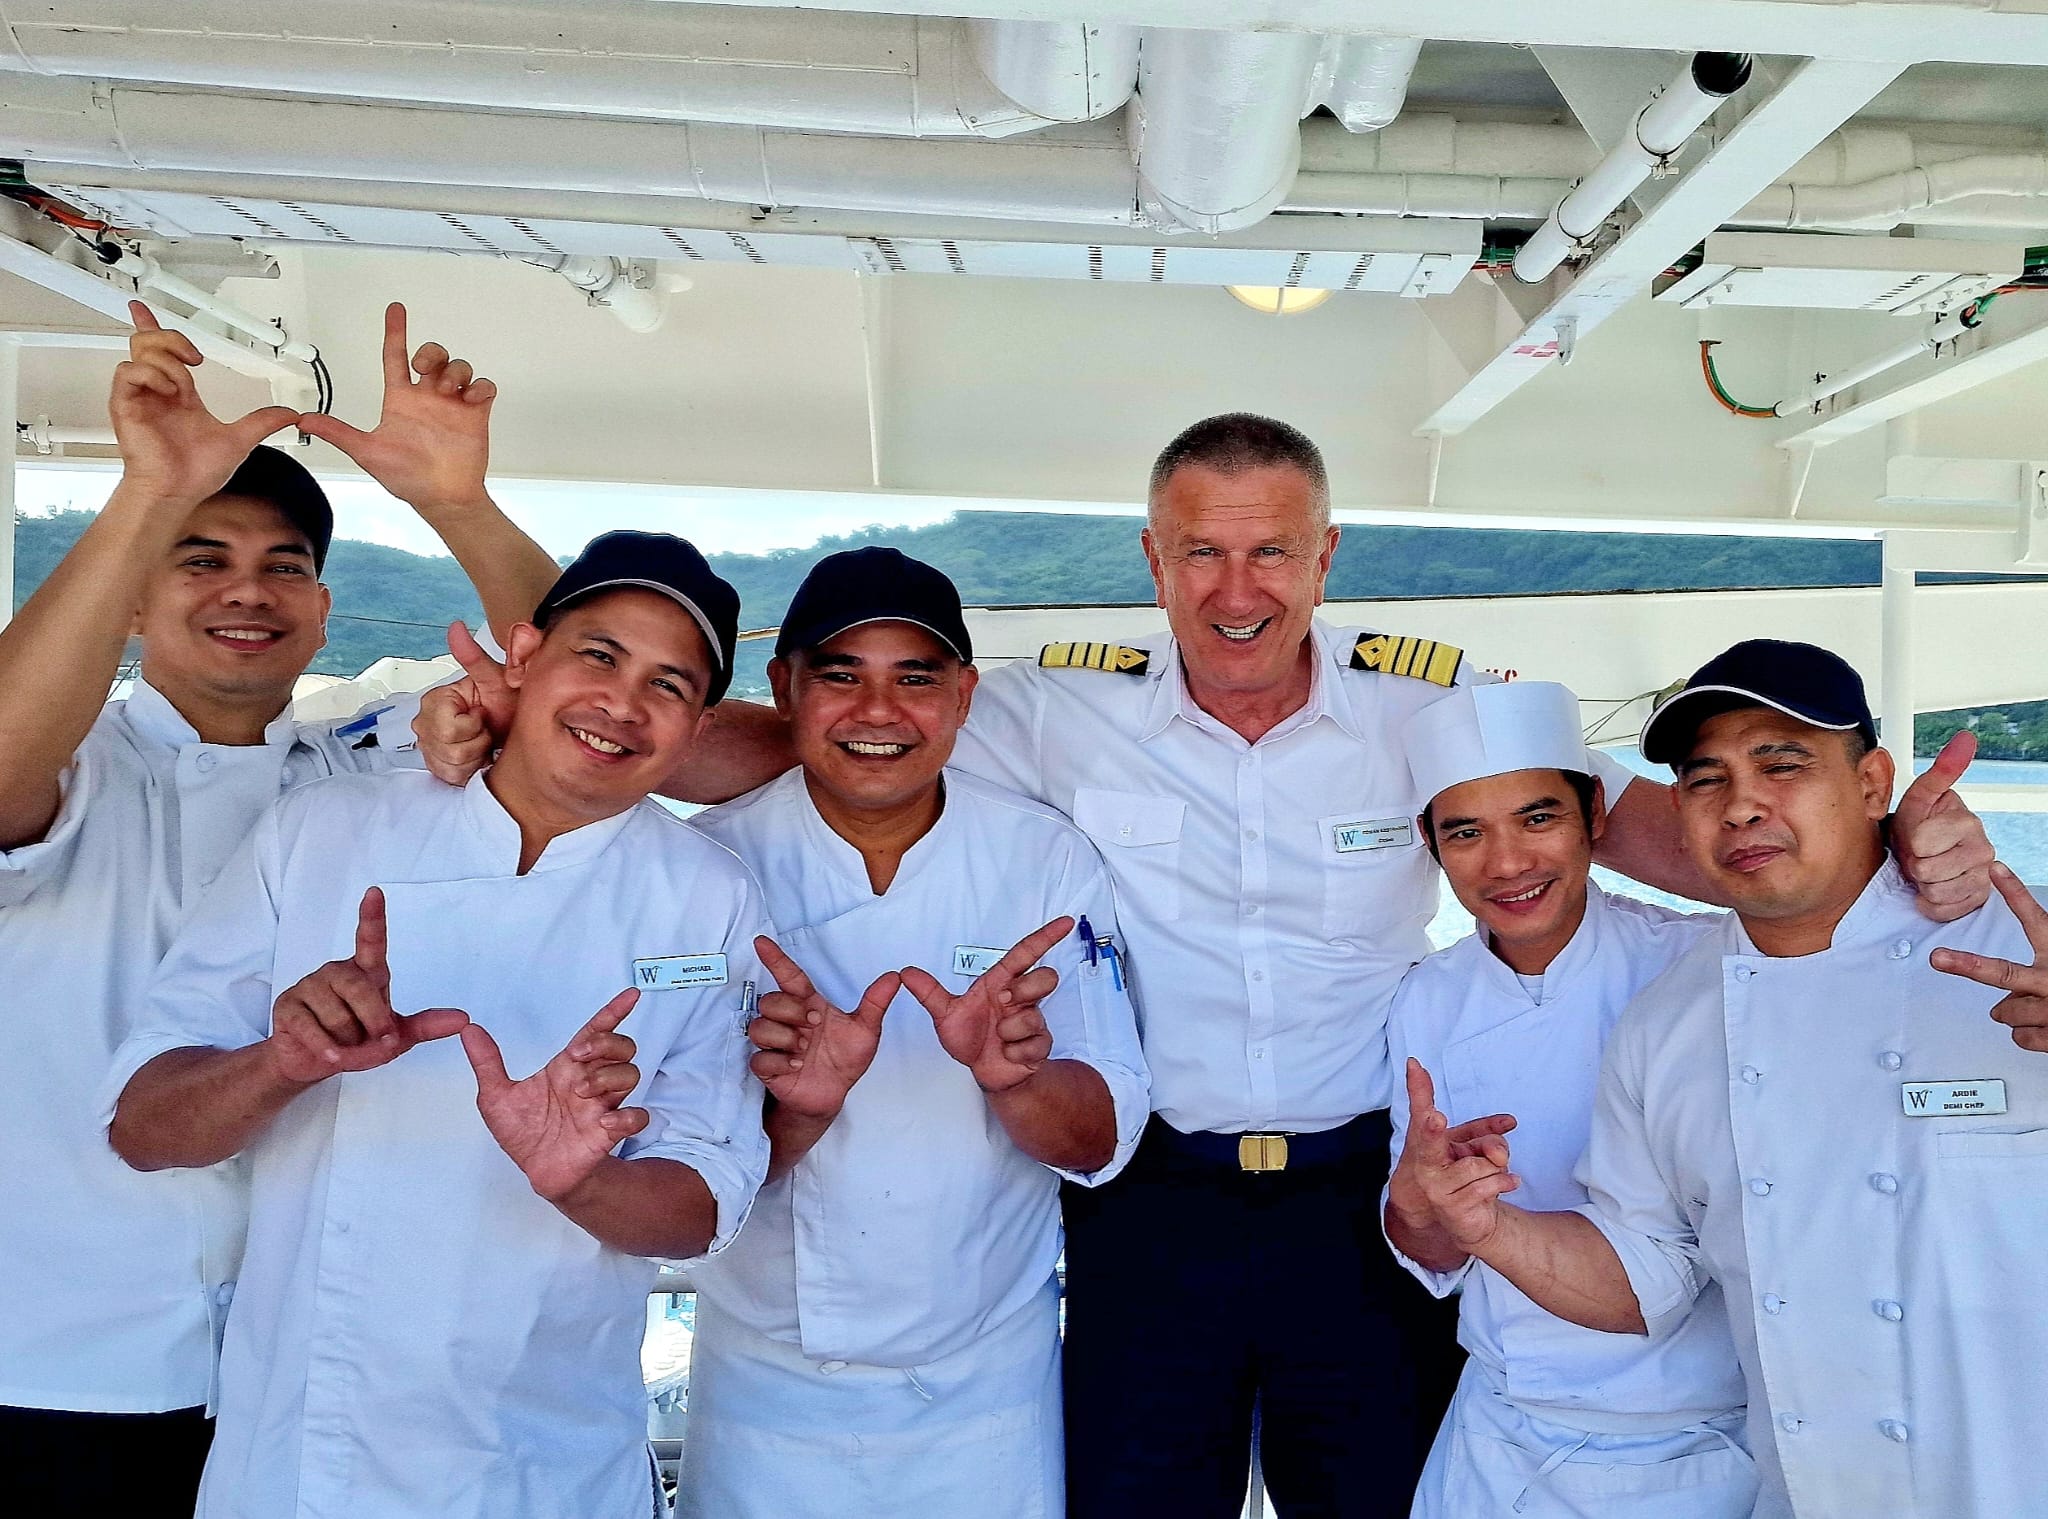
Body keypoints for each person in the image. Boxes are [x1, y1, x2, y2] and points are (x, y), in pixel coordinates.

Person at [411, 416, 1994, 1517]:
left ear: (1325, 557)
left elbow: (1636, 832)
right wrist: (551, 704)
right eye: (1199, 555)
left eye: (1272, 554)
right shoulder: (1050, 709)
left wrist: (1910, 869)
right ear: (1154, 559)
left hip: (1360, 1206)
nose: (1236, 592)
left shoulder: (1411, 721)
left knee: (1369, 1500)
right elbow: (769, 732)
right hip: (1148, 1211)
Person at [0, 299, 558, 1516]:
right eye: (200, 558)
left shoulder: (369, 766)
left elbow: (587, 693)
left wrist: (456, 504)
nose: (245, 591)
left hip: (305, 1387)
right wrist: (148, 489)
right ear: (131, 605)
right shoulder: (75, 760)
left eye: (284, 567)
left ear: (321, 611)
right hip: (53, 1374)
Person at [105, 532, 771, 1519]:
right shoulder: (325, 831)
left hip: (548, 1465)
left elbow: (704, 1206)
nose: (623, 703)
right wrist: (280, 1064)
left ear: (696, 725)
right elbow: (141, 1126)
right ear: (522, 656)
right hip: (305, 1460)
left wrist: (581, 1179)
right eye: (597, 655)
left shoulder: (707, 896)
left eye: (668, 684)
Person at [1397, 638, 2047, 1519]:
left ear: (1872, 781)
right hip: (1799, 1484)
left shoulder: (2013, 946)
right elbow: (1647, 1266)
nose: (1742, 805)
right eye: (1705, 780)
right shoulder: (1670, 1022)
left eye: (1781, 763)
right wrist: (1479, 1223)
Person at [675, 547, 1149, 1518]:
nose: (878, 713)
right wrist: (792, 1113)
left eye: (915, 677)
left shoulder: (1042, 859)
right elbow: (673, 1166)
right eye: (840, 675)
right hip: (767, 1395)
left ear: (964, 695)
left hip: (985, 1395)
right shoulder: (701, 868)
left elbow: (1101, 1137)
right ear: (783, 688)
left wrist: (1016, 1080)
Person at [1384, 680, 1754, 1517]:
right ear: (1431, 845)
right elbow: (1429, 1250)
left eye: (1538, 817)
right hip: (1499, 1439)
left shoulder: (1701, 964)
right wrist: (1422, 1202)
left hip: (1699, 1436)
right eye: (1466, 832)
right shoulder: (1426, 997)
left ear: (1593, 813)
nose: (1507, 862)